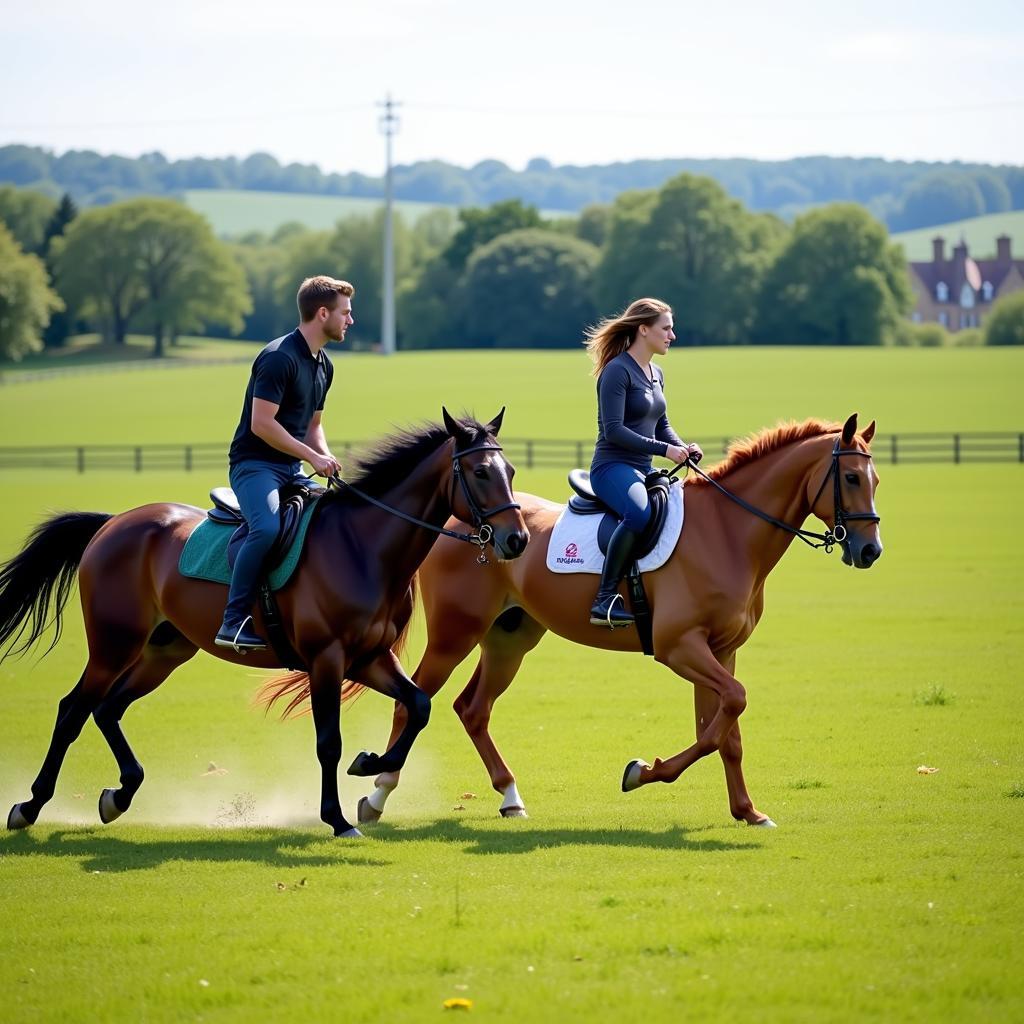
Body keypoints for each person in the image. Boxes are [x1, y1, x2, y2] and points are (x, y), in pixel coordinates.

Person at [215, 276, 353, 651]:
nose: (350, 320)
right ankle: (233, 621)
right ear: (322, 313)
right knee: (266, 529)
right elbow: (262, 425)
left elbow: (314, 426)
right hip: (254, 465)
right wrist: (311, 456)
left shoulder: (325, 364)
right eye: (345, 312)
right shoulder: (279, 357)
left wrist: (323, 454)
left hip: (292, 469)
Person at [584, 297, 703, 628]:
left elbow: (661, 422)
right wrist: (667, 451)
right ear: (643, 329)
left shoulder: (657, 373)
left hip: (643, 468)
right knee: (638, 512)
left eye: (671, 328)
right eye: (666, 328)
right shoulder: (616, 371)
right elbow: (615, 430)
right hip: (611, 467)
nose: (672, 335)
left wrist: (683, 447)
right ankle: (604, 598)